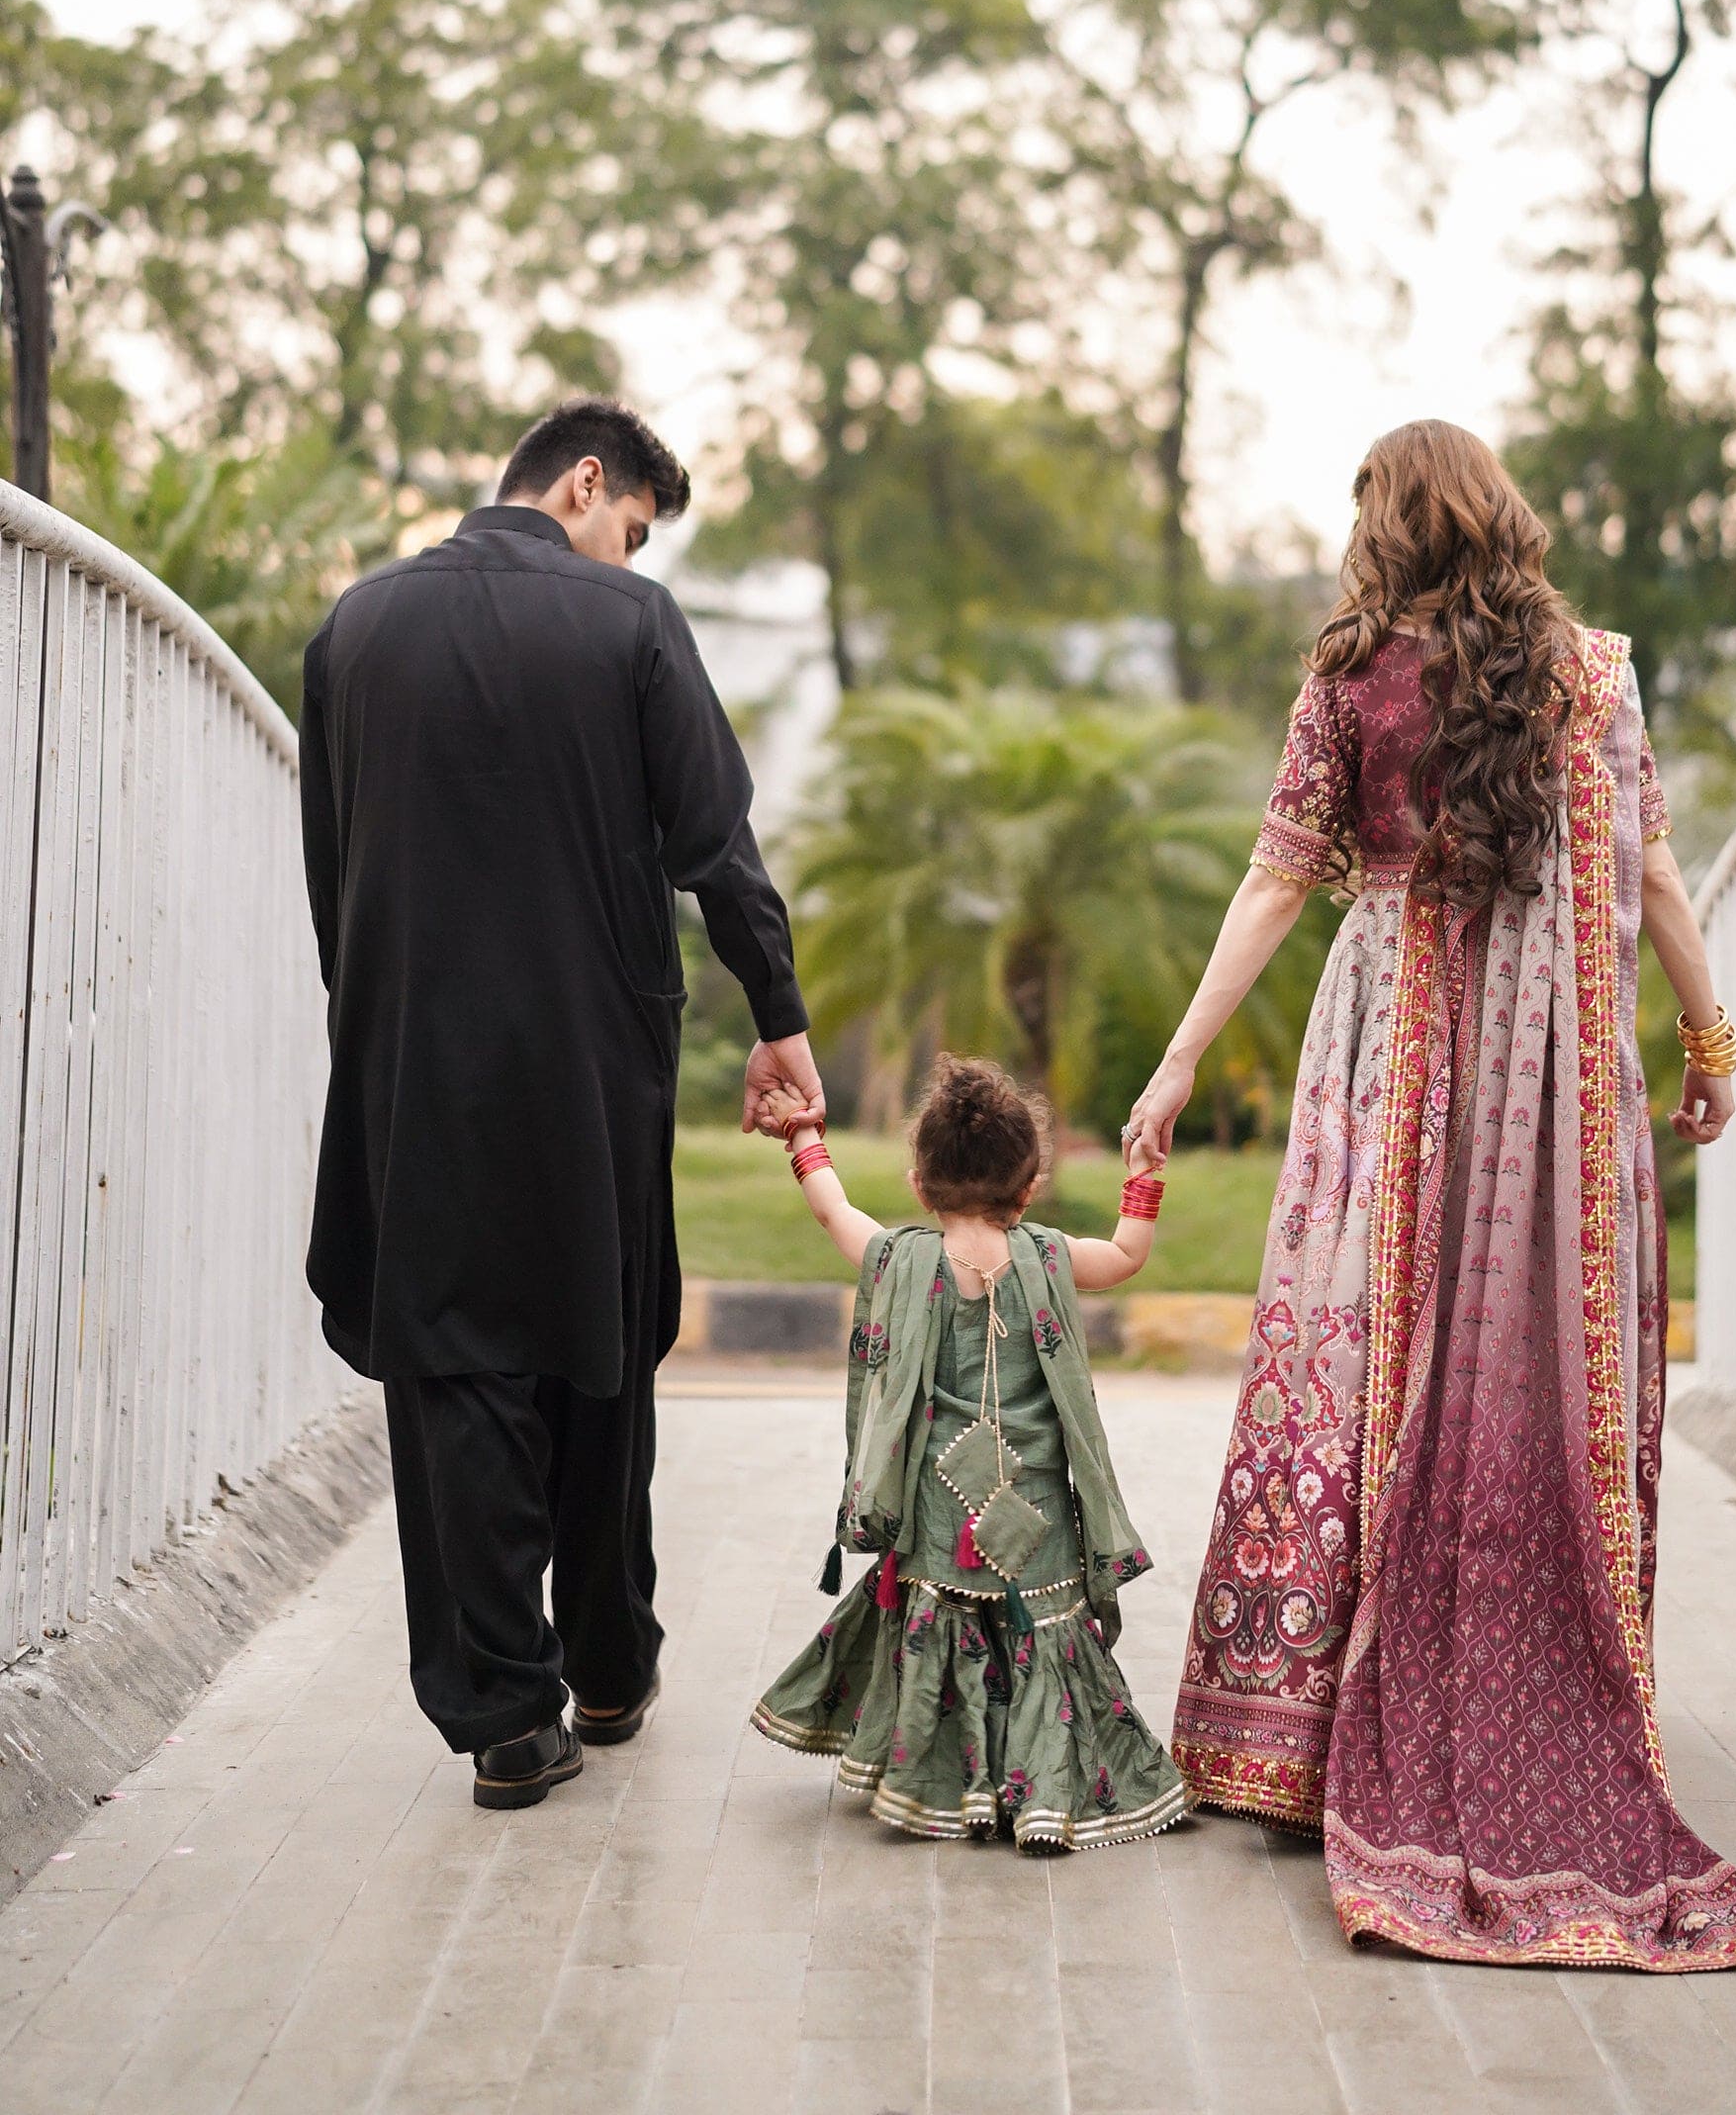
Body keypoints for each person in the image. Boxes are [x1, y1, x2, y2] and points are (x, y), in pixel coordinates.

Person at [1126, 419, 1736, 1969]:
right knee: (1511, 1363)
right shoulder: (1596, 677)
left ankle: (1295, 1731)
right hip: (1550, 1080)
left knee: (1353, 1340)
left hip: (1390, 1040)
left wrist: (1177, 1064)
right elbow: (1650, 874)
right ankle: (1524, 1679)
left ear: (1388, 524)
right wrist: (1708, 1041)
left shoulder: (1350, 679)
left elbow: (1276, 880)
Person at [300, 397, 823, 1809]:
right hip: (592, 1058)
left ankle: (506, 1718)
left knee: (454, 1362)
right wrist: (778, 1021)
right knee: (598, 1348)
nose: (632, 559)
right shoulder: (629, 624)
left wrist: (374, 1025)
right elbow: (716, 845)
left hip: (416, 1060)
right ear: (586, 483)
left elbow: (335, 875)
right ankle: (606, 1665)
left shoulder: (353, 629)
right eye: (633, 530)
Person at [750, 1055, 1189, 1850]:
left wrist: (805, 1138)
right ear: (1030, 1187)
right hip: (1036, 1510)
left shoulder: (900, 1259)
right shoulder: (1051, 1256)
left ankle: (948, 1780)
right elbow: (1128, 1254)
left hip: (936, 1507)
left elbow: (832, 1211)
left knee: (944, 1625)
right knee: (1039, 1626)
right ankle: (1043, 1790)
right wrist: (1144, 1175)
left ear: (919, 1183)